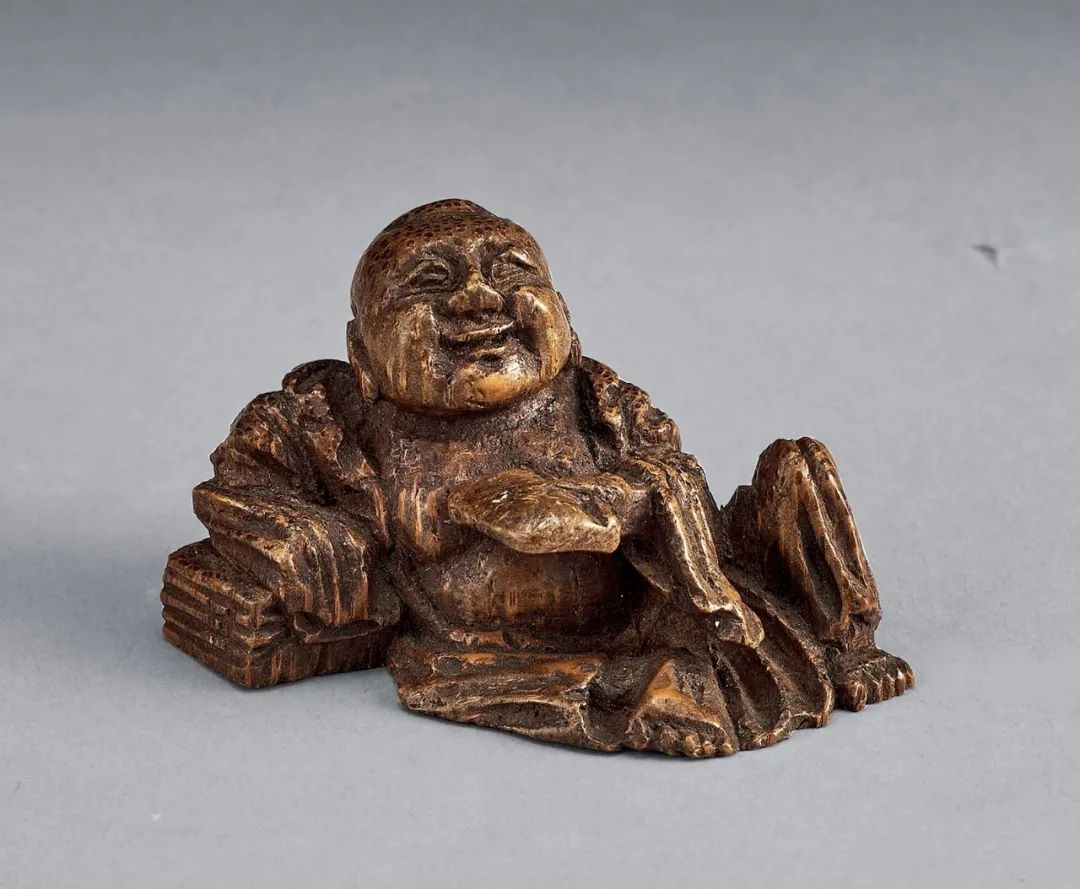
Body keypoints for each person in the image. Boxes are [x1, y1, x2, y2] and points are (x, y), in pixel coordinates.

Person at [162, 199, 913, 757]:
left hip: (657, 607)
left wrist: (596, 504)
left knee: (799, 466)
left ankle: (845, 641)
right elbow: (236, 485)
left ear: (567, 322)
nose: (479, 299)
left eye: (510, 273)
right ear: (363, 353)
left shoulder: (593, 398)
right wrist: (294, 528)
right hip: (494, 651)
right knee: (611, 684)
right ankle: (640, 690)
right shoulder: (328, 416)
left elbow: (674, 470)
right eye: (430, 283)